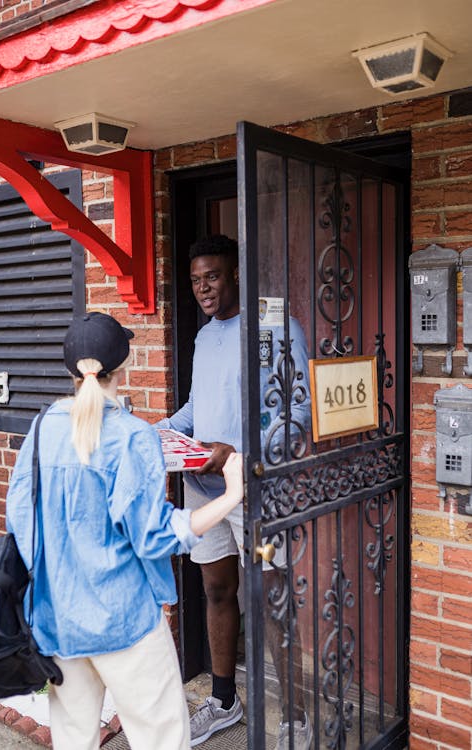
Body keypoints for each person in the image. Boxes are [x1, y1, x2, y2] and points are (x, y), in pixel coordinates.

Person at [6, 311, 244, 750]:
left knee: (74, 740)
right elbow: (155, 536)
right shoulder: (134, 436)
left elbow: (20, 525)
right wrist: (230, 496)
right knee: (161, 740)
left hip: (60, 620)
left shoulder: (41, 430)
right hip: (126, 621)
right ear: (124, 365)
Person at [157, 235, 312, 749]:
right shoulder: (204, 337)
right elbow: (196, 410)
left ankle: (295, 716)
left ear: (236, 274)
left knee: (271, 596)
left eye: (213, 277)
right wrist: (157, 431)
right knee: (217, 590)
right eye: (197, 279)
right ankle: (225, 700)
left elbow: (300, 415)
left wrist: (238, 448)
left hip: (257, 495)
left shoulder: (276, 328)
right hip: (204, 491)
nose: (203, 288)